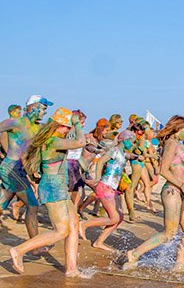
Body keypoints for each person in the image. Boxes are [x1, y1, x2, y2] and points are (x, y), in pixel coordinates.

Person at [9, 107, 85, 275]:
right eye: (67, 126)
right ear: (58, 125)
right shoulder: (53, 140)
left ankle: (71, 269)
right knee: (61, 230)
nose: (69, 130)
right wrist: (78, 123)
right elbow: (80, 143)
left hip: (58, 187)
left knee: (74, 225)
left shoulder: (52, 139)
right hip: (53, 187)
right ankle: (18, 250)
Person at [122, 116, 184, 271]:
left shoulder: (177, 143)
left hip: (182, 192)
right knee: (170, 233)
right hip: (172, 191)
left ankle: (179, 265)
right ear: (177, 128)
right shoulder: (171, 143)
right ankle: (134, 254)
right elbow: (163, 170)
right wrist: (181, 185)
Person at [0, 95, 52, 239]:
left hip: (20, 170)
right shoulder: (15, 123)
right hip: (11, 168)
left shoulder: (38, 127)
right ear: (33, 107)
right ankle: (35, 245)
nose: (44, 112)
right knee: (32, 204)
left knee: (1, 205)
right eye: (43, 109)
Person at [79, 135, 136, 251]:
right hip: (105, 185)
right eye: (131, 141)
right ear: (125, 140)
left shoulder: (122, 153)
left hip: (112, 188)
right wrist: (97, 177)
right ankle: (83, 224)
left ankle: (99, 242)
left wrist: (139, 156)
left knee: (119, 217)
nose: (132, 144)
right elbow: (100, 162)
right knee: (114, 218)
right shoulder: (114, 150)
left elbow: (130, 155)